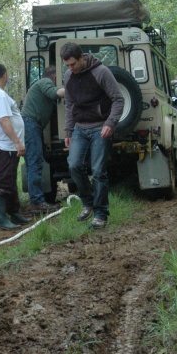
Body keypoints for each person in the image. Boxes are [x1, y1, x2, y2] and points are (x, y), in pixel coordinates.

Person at [61, 42, 124, 229]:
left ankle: (101, 214)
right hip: (80, 127)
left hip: (100, 128)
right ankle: (87, 203)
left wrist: (110, 123)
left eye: (73, 64)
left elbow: (118, 99)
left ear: (82, 58)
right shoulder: (68, 76)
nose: (71, 68)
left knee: (98, 171)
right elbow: (69, 105)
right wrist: (68, 130)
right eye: (67, 66)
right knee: (74, 165)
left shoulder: (101, 72)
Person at [0, 63, 31, 229]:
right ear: (5, 76)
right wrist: (17, 141)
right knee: (3, 180)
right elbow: (3, 120)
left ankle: (14, 213)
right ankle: (1, 217)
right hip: (4, 145)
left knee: (9, 179)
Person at [22, 65, 65, 214]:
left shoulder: (40, 84)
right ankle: (37, 202)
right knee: (35, 163)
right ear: (54, 78)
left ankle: (37, 200)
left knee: (33, 163)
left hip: (32, 125)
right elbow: (55, 94)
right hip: (31, 124)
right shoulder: (45, 82)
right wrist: (74, 88)